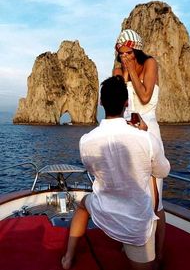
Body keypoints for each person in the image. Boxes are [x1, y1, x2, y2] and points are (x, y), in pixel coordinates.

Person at [62, 75, 170, 270]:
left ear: (101, 102)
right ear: (126, 103)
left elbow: (91, 168)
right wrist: (145, 133)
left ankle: (68, 258)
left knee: (82, 205)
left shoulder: (86, 141)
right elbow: (163, 171)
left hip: (104, 210)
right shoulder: (146, 139)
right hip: (136, 223)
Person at [113, 29, 166, 263]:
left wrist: (133, 70)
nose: (125, 56)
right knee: (131, 194)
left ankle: (158, 254)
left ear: (137, 49)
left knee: (156, 200)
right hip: (128, 132)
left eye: (128, 52)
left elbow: (144, 97)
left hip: (149, 131)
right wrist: (124, 70)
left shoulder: (150, 63)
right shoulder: (119, 68)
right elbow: (119, 98)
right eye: (121, 53)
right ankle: (131, 244)